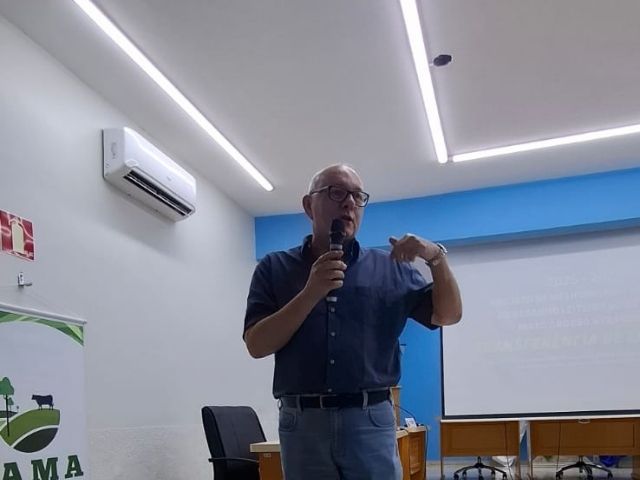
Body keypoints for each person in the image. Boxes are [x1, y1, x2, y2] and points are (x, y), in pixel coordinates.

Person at [244, 164, 462, 479]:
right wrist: (310, 293)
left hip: (370, 419)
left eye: (358, 196)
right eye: (337, 192)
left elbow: (449, 315)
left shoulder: (391, 267)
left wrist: (435, 257)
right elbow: (256, 345)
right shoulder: (274, 267)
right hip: (303, 423)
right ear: (308, 205)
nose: (349, 202)